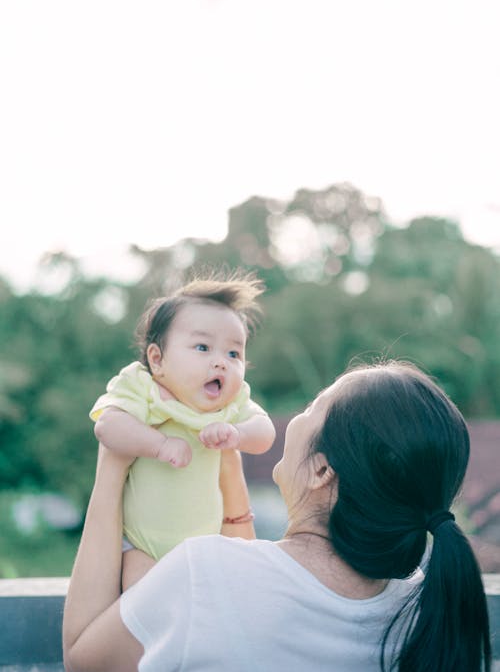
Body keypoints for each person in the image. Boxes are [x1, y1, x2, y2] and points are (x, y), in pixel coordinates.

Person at [63, 360, 491, 672]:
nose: (299, 417)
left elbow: (84, 658)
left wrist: (113, 462)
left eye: (312, 408)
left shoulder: (204, 574)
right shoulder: (426, 609)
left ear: (323, 470)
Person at [90, 272, 276, 588]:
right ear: (157, 359)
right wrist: (158, 444)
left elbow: (265, 433)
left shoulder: (230, 406)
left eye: (234, 353)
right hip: (140, 546)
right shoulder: (144, 388)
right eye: (203, 347)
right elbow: (108, 426)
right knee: (143, 599)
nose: (221, 363)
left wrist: (237, 434)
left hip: (205, 545)